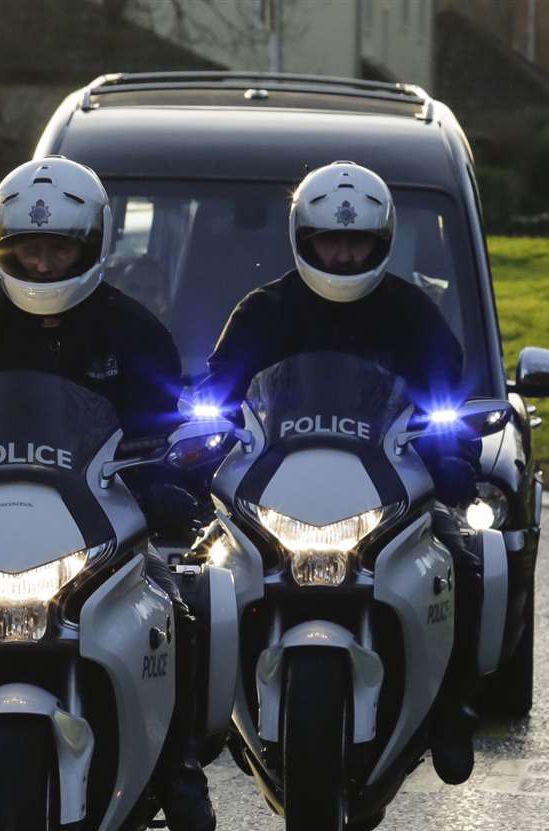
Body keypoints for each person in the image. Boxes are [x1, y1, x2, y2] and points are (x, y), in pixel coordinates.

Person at [0, 156, 217, 831]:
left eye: (60, 246)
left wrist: (176, 482)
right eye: (31, 245)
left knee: (180, 606)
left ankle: (178, 766)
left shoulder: (133, 328)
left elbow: (170, 426)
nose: (45, 260)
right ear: (5, 245)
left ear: (90, 245)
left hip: (101, 516)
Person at [199, 160, 485, 785]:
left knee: (465, 561)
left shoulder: (413, 313)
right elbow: (218, 390)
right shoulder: (264, 310)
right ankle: (192, 732)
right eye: (332, 239)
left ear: (382, 241)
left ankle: (452, 712)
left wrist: (450, 442)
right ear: (304, 238)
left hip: (390, 485)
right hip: (277, 485)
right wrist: (204, 434)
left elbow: (449, 394)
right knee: (198, 577)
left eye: (358, 241)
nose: (345, 253)